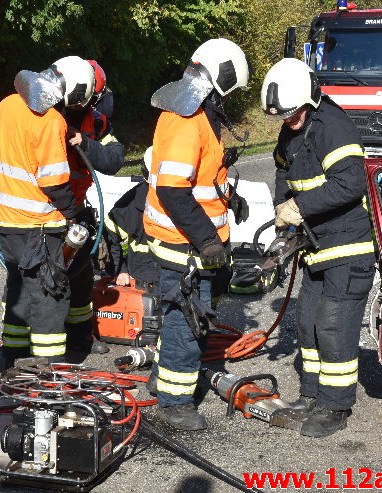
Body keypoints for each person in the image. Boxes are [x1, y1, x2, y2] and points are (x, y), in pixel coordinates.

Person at [261, 57, 375, 438]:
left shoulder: (333, 127)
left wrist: (300, 207)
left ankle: (335, 405)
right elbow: (282, 167)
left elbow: (350, 184)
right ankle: (311, 395)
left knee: (333, 324)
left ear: (309, 100)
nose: (288, 121)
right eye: (284, 116)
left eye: (293, 114)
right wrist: (282, 207)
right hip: (314, 245)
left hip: (347, 246)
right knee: (307, 321)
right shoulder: (292, 129)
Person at [144, 38, 250, 431]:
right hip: (183, 244)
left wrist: (228, 198)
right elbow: (173, 190)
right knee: (186, 323)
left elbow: (199, 177)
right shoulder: (187, 118)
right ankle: (173, 403)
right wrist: (207, 240)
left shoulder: (198, 112)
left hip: (192, 240)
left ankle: (162, 381)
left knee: (183, 318)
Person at [0, 55, 95, 367]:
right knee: (51, 293)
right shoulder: (52, 121)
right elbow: (53, 183)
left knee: (19, 288)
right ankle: (48, 372)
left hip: (5, 222)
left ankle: (14, 358)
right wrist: (75, 214)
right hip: (38, 225)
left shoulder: (7, 104)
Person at [61, 59, 125, 355]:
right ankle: (30, 344)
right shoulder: (45, 118)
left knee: (81, 275)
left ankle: (79, 337)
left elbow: (113, 158)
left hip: (74, 209)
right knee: (44, 278)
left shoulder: (96, 122)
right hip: (43, 211)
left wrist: (84, 143)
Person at [104, 147, 157, 288]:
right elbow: (110, 235)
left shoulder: (186, 200)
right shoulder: (131, 204)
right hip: (142, 278)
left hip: (175, 276)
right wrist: (120, 270)